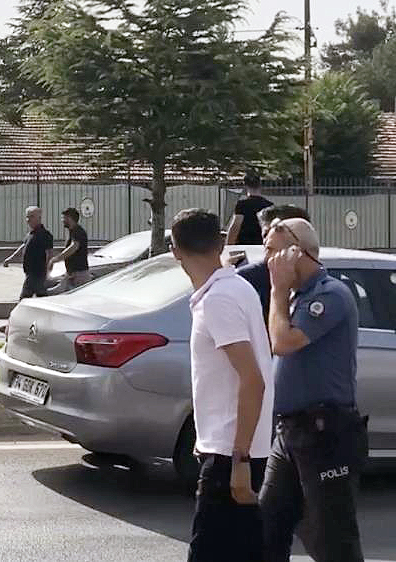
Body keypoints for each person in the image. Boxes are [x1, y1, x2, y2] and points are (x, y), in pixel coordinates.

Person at [261, 218, 368, 562]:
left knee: (332, 539)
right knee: (266, 527)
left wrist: (277, 292)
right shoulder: (297, 297)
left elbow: (283, 342)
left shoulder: (329, 295)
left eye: (274, 253)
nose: (269, 262)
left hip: (325, 434)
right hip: (290, 432)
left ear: (298, 252)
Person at [170, 209, 275, 562]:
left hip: (231, 454)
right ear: (219, 243)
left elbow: (252, 379)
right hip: (236, 449)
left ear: (174, 249)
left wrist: (240, 459)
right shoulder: (233, 287)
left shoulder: (218, 299)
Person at [234, 204, 311, 324]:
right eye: (265, 234)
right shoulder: (246, 280)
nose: (268, 240)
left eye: (277, 232)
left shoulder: (323, 285)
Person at [0, 206, 53, 333]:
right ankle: (46, 327)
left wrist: (47, 272)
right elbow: (22, 247)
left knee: (23, 303)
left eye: (31, 216)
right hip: (30, 274)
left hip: (37, 275)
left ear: (39, 218)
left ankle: (9, 327)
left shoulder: (45, 235)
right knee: (43, 304)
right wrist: (10, 258)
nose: (28, 220)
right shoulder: (30, 235)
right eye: (27, 217)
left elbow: (49, 254)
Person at [226, 169, 273, 245]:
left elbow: (235, 226)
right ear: (260, 185)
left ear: (245, 186)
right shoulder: (269, 205)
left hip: (244, 245)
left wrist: (229, 246)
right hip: (262, 245)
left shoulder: (242, 204)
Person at [50, 207, 91, 290]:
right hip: (72, 274)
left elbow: (74, 247)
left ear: (70, 218)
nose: (62, 220)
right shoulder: (72, 231)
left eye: (64, 218)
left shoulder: (78, 231)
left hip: (79, 275)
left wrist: (56, 259)